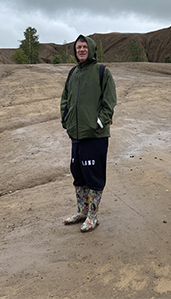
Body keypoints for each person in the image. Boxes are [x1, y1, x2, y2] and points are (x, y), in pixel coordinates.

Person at [60, 35, 117, 232]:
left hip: (95, 136)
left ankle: (92, 216)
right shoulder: (73, 73)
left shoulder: (102, 71)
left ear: (91, 49)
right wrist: (66, 120)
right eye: (78, 47)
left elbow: (109, 101)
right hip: (76, 134)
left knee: (94, 176)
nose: (82, 50)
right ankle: (82, 211)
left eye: (85, 47)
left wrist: (98, 123)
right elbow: (65, 99)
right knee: (78, 174)